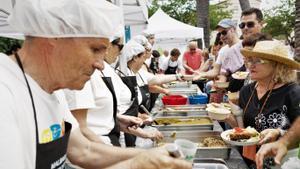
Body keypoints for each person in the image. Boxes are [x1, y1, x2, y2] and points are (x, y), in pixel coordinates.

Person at [0, 0, 192, 168]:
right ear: (54, 37)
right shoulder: (5, 91)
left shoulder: (52, 89)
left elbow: (84, 151)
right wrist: (135, 165)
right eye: (95, 49)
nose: (101, 65)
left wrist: (148, 156)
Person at [225, 40, 300, 168]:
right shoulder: (246, 91)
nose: (250, 65)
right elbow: (244, 129)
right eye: (249, 60)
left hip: (280, 163)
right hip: (249, 161)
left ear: (277, 65)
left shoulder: (293, 92)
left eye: (258, 61)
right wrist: (226, 116)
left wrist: (279, 133)